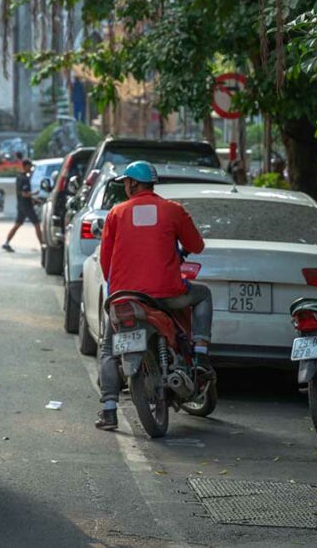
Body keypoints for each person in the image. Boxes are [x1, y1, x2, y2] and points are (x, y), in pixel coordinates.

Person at [94, 161, 211, 432]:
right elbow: (196, 246)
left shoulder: (116, 213)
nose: (125, 186)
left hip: (125, 298)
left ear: (133, 183)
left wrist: (116, 292)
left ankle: (109, 410)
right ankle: (202, 353)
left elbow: (106, 260)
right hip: (167, 295)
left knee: (109, 350)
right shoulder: (173, 210)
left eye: (126, 182)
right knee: (203, 295)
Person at [2, 160, 42, 252]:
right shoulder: (24, 179)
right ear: (25, 166)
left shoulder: (19, 177)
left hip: (21, 205)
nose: (31, 169)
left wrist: (34, 199)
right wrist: (34, 194)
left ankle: (6, 243)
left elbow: (22, 194)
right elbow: (24, 194)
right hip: (26, 206)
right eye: (30, 167)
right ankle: (43, 245)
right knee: (37, 224)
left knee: (17, 225)